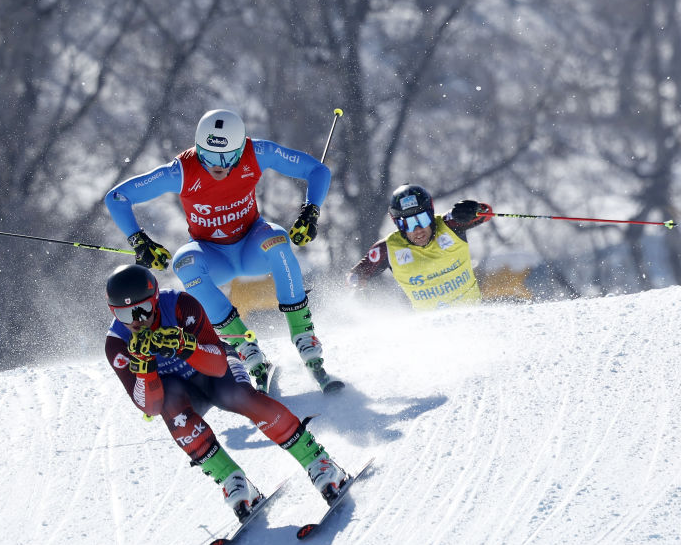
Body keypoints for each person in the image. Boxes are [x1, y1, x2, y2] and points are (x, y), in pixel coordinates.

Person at [105, 109, 338, 392]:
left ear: (241, 148)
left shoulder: (257, 152)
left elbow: (317, 170)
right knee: (184, 263)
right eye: (209, 157)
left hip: (252, 245)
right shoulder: (181, 170)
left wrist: (310, 211)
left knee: (277, 239)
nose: (218, 166)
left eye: (228, 157)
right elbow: (117, 197)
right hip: (213, 256)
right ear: (197, 149)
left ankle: (305, 337)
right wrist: (139, 240)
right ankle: (246, 349)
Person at [103, 264, 348, 519]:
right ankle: (233, 481)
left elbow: (218, 365)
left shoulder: (179, 305)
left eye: (143, 309)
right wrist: (144, 368)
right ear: (113, 313)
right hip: (181, 392)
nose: (137, 321)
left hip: (214, 373)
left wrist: (184, 345)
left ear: (155, 300)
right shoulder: (116, 344)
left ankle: (318, 461)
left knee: (237, 395)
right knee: (171, 409)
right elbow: (149, 407)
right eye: (125, 314)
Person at [348, 184, 493, 310]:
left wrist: (474, 208)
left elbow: (487, 213)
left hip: (473, 319)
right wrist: (357, 282)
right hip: (432, 329)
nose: (417, 229)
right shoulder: (388, 248)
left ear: (431, 215)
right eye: (408, 224)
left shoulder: (450, 225)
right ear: (398, 225)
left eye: (422, 219)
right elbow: (355, 274)